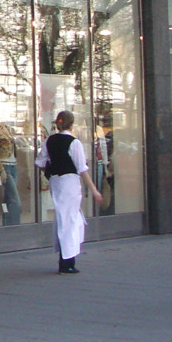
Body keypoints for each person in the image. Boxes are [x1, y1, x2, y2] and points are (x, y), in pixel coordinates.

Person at [34, 110, 103, 274]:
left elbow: (40, 161)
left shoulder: (49, 140)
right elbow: (82, 169)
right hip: (70, 182)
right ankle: (67, 261)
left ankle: (66, 259)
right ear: (71, 124)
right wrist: (94, 190)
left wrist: (53, 168)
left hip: (56, 181)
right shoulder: (74, 143)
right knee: (70, 219)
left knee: (64, 217)